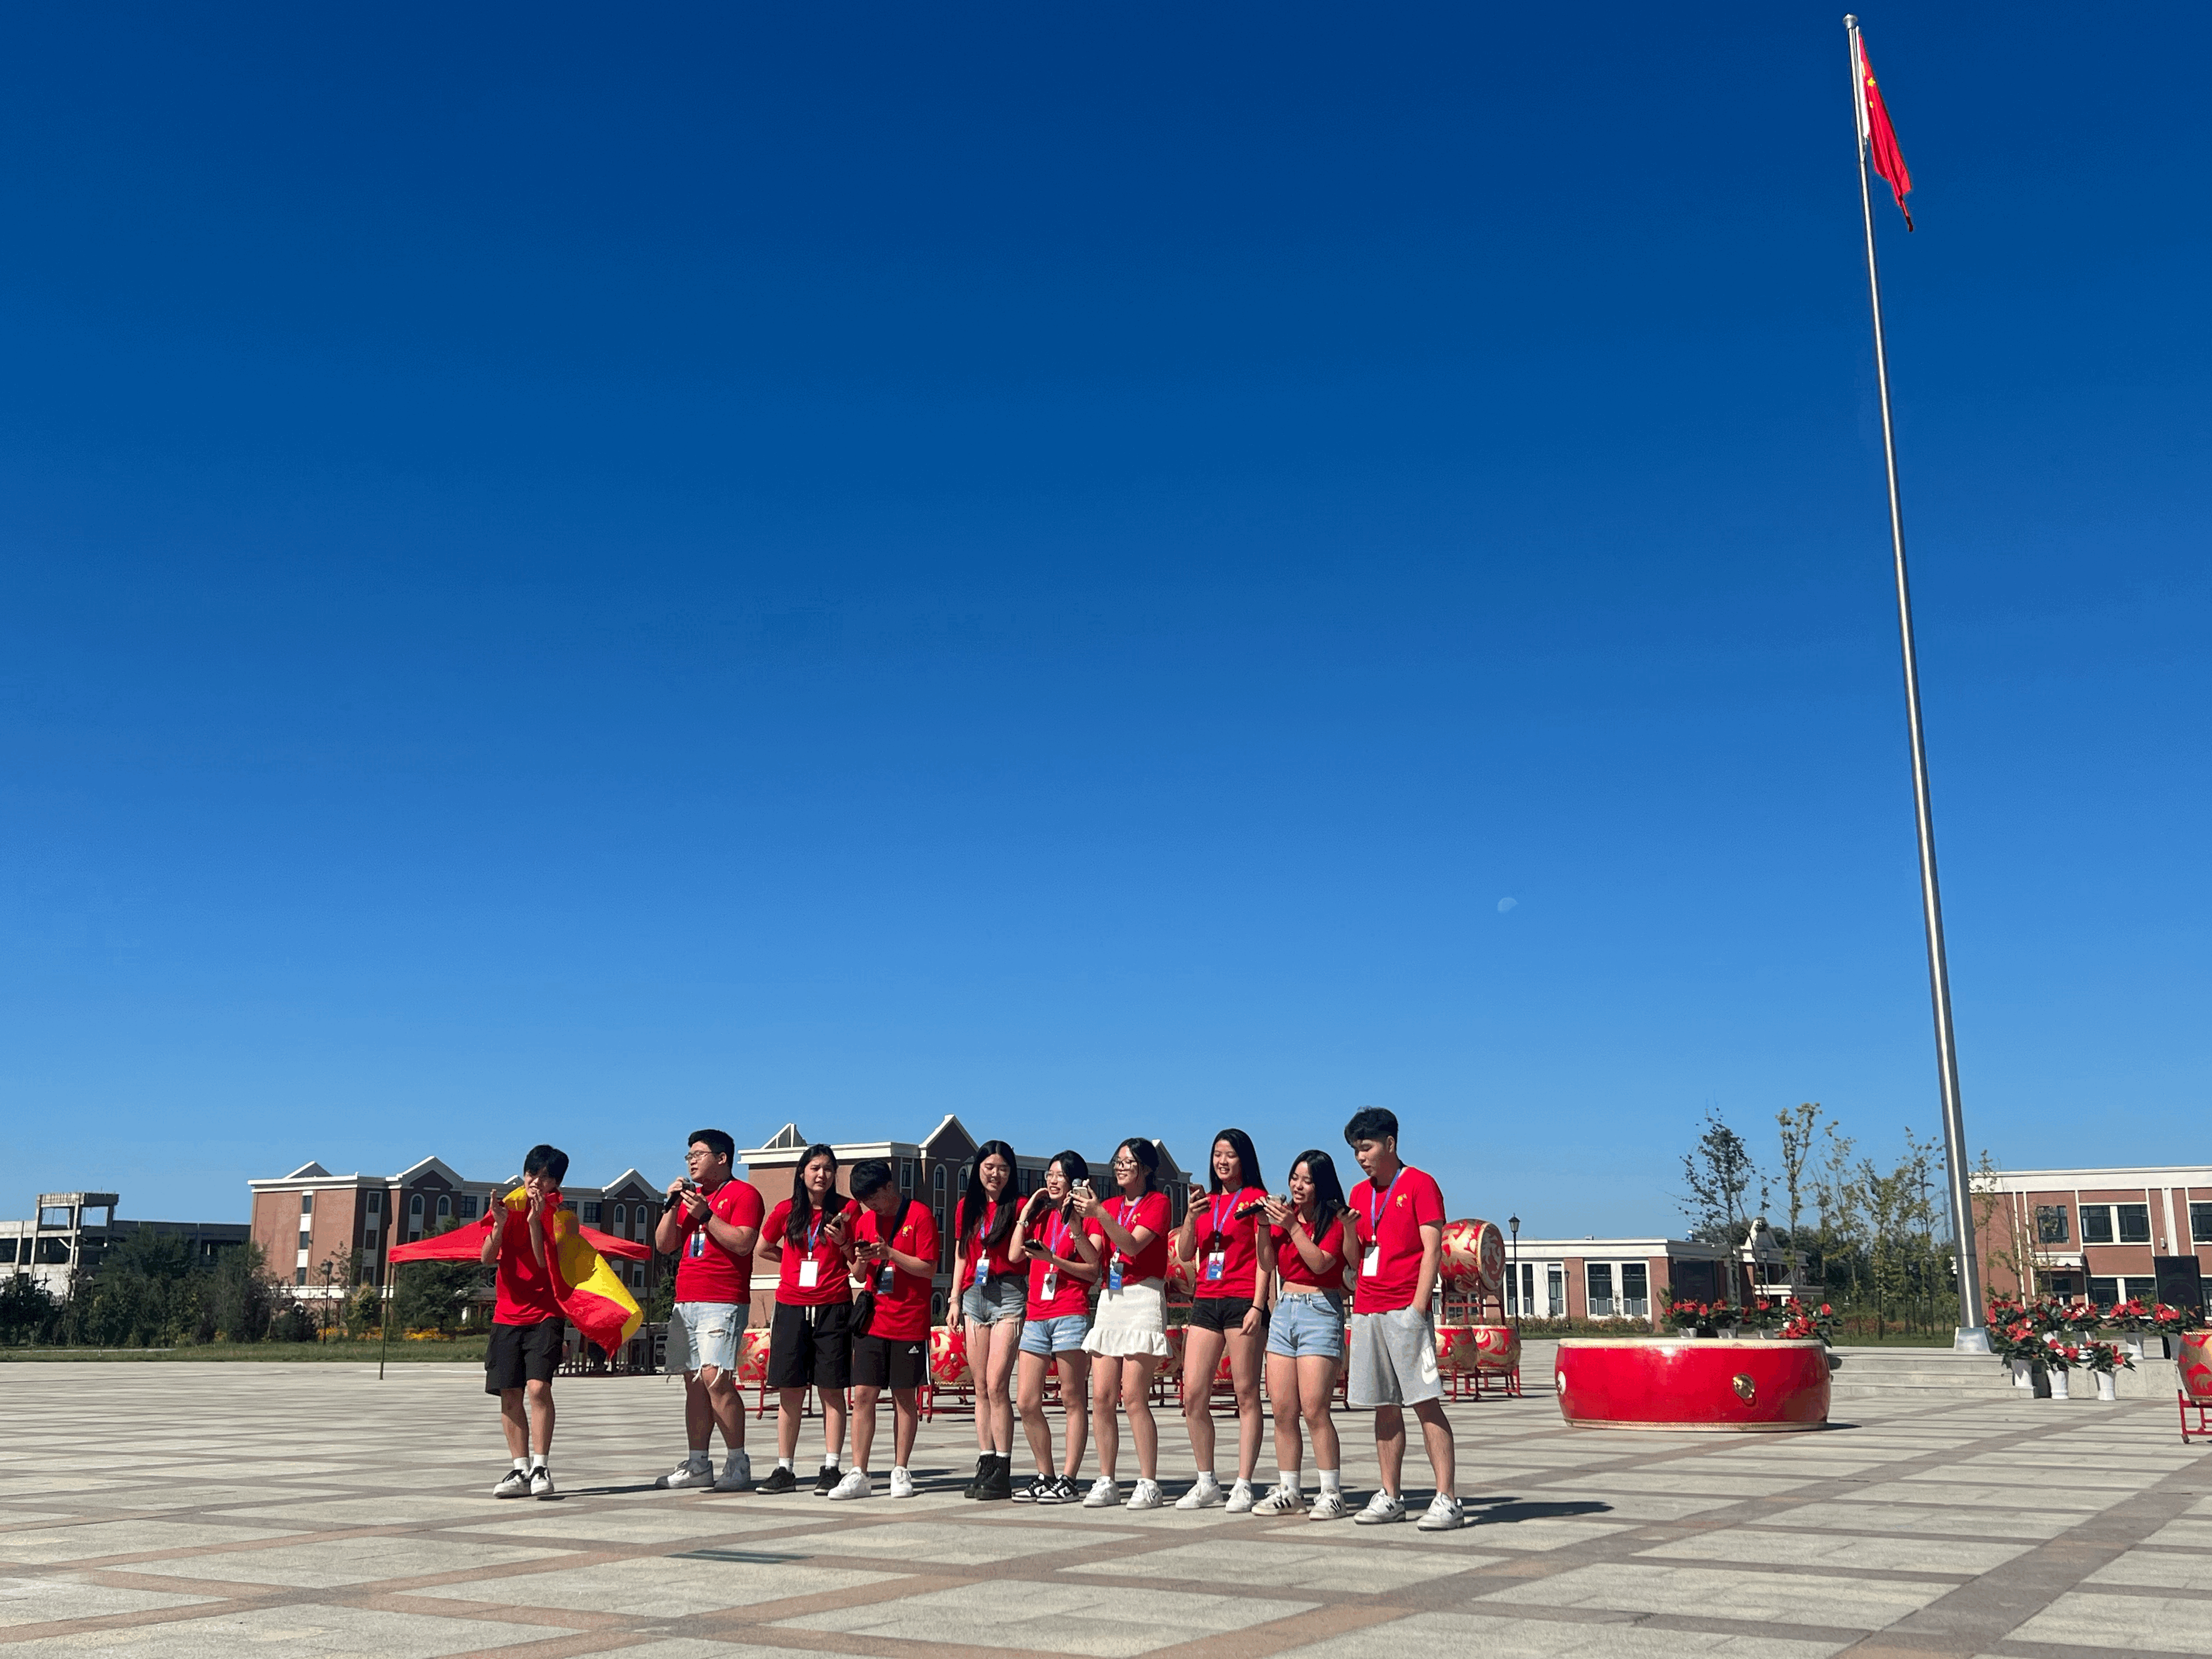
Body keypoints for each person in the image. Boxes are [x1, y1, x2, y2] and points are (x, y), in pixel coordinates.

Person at [1341, 1107, 1460, 1530]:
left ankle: (1447, 1498)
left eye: (1367, 1147)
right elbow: (1354, 1259)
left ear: (1391, 1143)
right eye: (1356, 1150)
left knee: (1424, 1403)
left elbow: (1433, 1249)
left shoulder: (1421, 1184)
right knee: (1384, 1406)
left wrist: (1418, 1307)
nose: (1361, 1157)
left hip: (1405, 1308)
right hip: (1368, 1307)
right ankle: (1391, 1495)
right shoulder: (1358, 1195)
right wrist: (1347, 1232)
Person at [651, 1128, 764, 1493]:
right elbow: (665, 1245)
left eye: (699, 1155)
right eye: (689, 1157)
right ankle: (698, 1462)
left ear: (722, 1158)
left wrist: (706, 1214)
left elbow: (744, 1243)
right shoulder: (688, 1199)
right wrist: (671, 1207)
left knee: (716, 1378)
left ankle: (738, 1461)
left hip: (723, 1299)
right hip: (686, 1300)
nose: (692, 1162)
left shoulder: (744, 1194)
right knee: (694, 1383)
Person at [1172, 1128, 1273, 1512]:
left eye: (1230, 1154)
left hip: (1243, 1299)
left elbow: (1266, 1259)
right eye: (1217, 1154)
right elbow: (1185, 1252)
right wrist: (1190, 1216)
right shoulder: (1207, 1202)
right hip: (1206, 1302)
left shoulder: (1255, 1200)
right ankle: (1206, 1481)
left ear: (1244, 1159)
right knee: (1193, 1394)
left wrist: (1258, 1306)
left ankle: (1244, 1482)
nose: (1222, 1161)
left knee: (1246, 1393)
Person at [1076, 1136, 1173, 1510]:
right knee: (1101, 1397)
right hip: (1111, 1300)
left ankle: (1148, 1482)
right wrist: (1076, 1227)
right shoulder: (1112, 1205)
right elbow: (1094, 1258)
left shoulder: (1158, 1203)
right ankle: (1107, 1478)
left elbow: (1132, 1246)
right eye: (1117, 1161)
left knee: (1133, 1395)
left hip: (1143, 1297)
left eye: (1128, 1162)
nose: (1120, 1167)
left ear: (1146, 1169)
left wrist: (1100, 1215)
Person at [833, 1158, 937, 1500]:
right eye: (865, 1201)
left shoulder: (919, 1214)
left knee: (904, 1397)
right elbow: (860, 1276)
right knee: (862, 1395)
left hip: (909, 1320)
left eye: (874, 1198)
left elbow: (928, 1268)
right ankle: (859, 1471)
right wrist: (860, 1256)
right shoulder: (865, 1220)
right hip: (873, 1319)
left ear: (890, 1188)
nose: (870, 1206)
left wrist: (890, 1251)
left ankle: (900, 1468)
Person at [1254, 1148, 1350, 1517]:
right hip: (1285, 1311)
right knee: (1282, 1410)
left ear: (1322, 1185)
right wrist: (1265, 1226)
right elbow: (1267, 1261)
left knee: (1314, 1409)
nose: (1298, 1186)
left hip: (1320, 1310)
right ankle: (1289, 1489)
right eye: (1294, 1178)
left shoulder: (1335, 1222)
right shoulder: (1284, 1220)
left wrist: (1292, 1227)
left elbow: (1321, 1262)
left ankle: (1330, 1492)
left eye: (1307, 1180)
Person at [755, 1143, 855, 1496]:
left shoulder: (847, 1210)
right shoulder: (787, 1211)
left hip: (834, 1304)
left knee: (832, 1389)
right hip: (792, 1305)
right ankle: (785, 1469)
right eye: (814, 1168)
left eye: (828, 1169)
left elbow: (856, 1259)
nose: (821, 1175)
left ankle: (831, 1467)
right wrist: (792, 1264)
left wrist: (842, 1244)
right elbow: (762, 1248)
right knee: (790, 1389)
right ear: (802, 1173)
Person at [1007, 1151, 1101, 1503]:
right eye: (1049, 1175)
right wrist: (1027, 1212)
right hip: (1036, 1316)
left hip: (1070, 1313)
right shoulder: (1043, 1218)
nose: (1052, 1180)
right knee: (1027, 1401)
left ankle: (1069, 1478)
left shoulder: (1087, 1218)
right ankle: (1045, 1474)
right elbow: (1016, 1256)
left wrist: (1053, 1260)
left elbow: (1093, 1270)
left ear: (1075, 1181)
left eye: (1060, 1175)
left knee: (1072, 1398)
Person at [483, 1144, 569, 1499]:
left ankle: (541, 1465)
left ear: (556, 1183)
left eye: (546, 1177)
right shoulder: (505, 1208)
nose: (537, 1181)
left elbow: (544, 1264)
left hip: (545, 1312)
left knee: (538, 1389)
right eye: (533, 1174)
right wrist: (500, 1226)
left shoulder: (561, 1216)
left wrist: (535, 1222)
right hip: (507, 1314)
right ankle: (519, 1470)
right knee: (509, 1392)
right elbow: (488, 1258)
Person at [952, 1140, 1025, 1500]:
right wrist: (953, 1299)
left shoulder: (1021, 1206)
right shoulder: (967, 1207)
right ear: (978, 1169)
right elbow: (963, 1254)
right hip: (973, 1298)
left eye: (1003, 1169)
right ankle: (985, 1457)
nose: (995, 1174)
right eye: (989, 1167)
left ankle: (1004, 1465)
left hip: (1008, 1294)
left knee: (998, 1384)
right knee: (980, 1386)